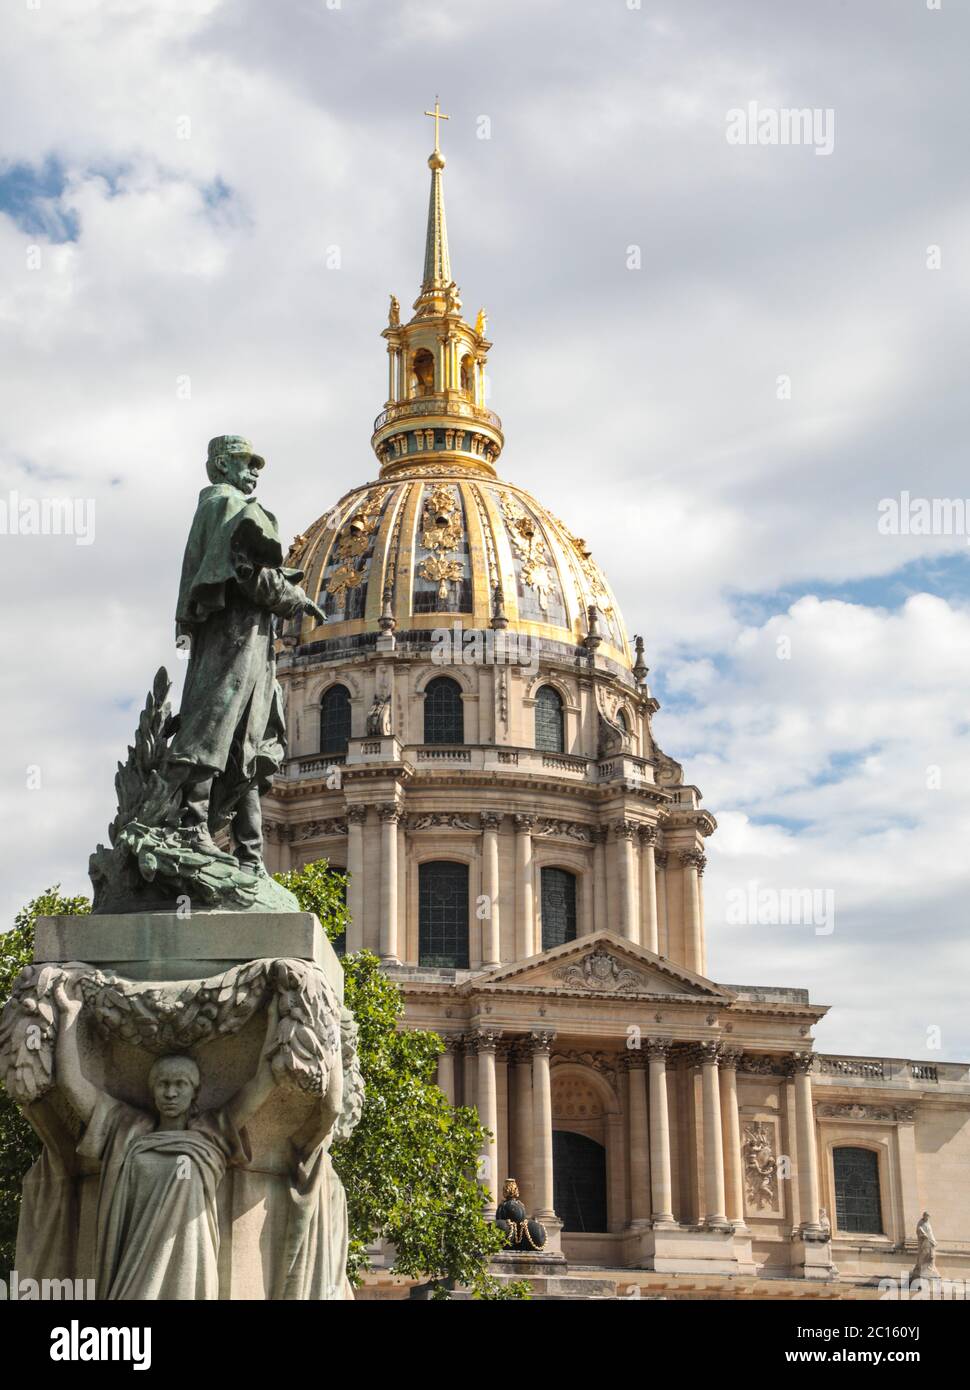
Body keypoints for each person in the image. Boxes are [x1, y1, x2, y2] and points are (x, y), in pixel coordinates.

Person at [51, 977, 279, 1300]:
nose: (171, 1092)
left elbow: (263, 1082)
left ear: (194, 1092)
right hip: (134, 1272)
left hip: (191, 1275)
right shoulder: (126, 1129)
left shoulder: (210, 1133)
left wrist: (276, 1019)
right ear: (152, 1089)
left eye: (180, 1085)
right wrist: (68, 1016)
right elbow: (70, 1082)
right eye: (163, 1084)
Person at [167, 435, 325, 870]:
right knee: (216, 724)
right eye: (245, 462)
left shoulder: (223, 506)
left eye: (257, 463)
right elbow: (246, 572)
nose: (254, 470)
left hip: (250, 641)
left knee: (249, 742)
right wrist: (297, 600)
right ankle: (192, 824)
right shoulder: (225, 505)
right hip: (235, 638)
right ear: (220, 465)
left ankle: (250, 855)